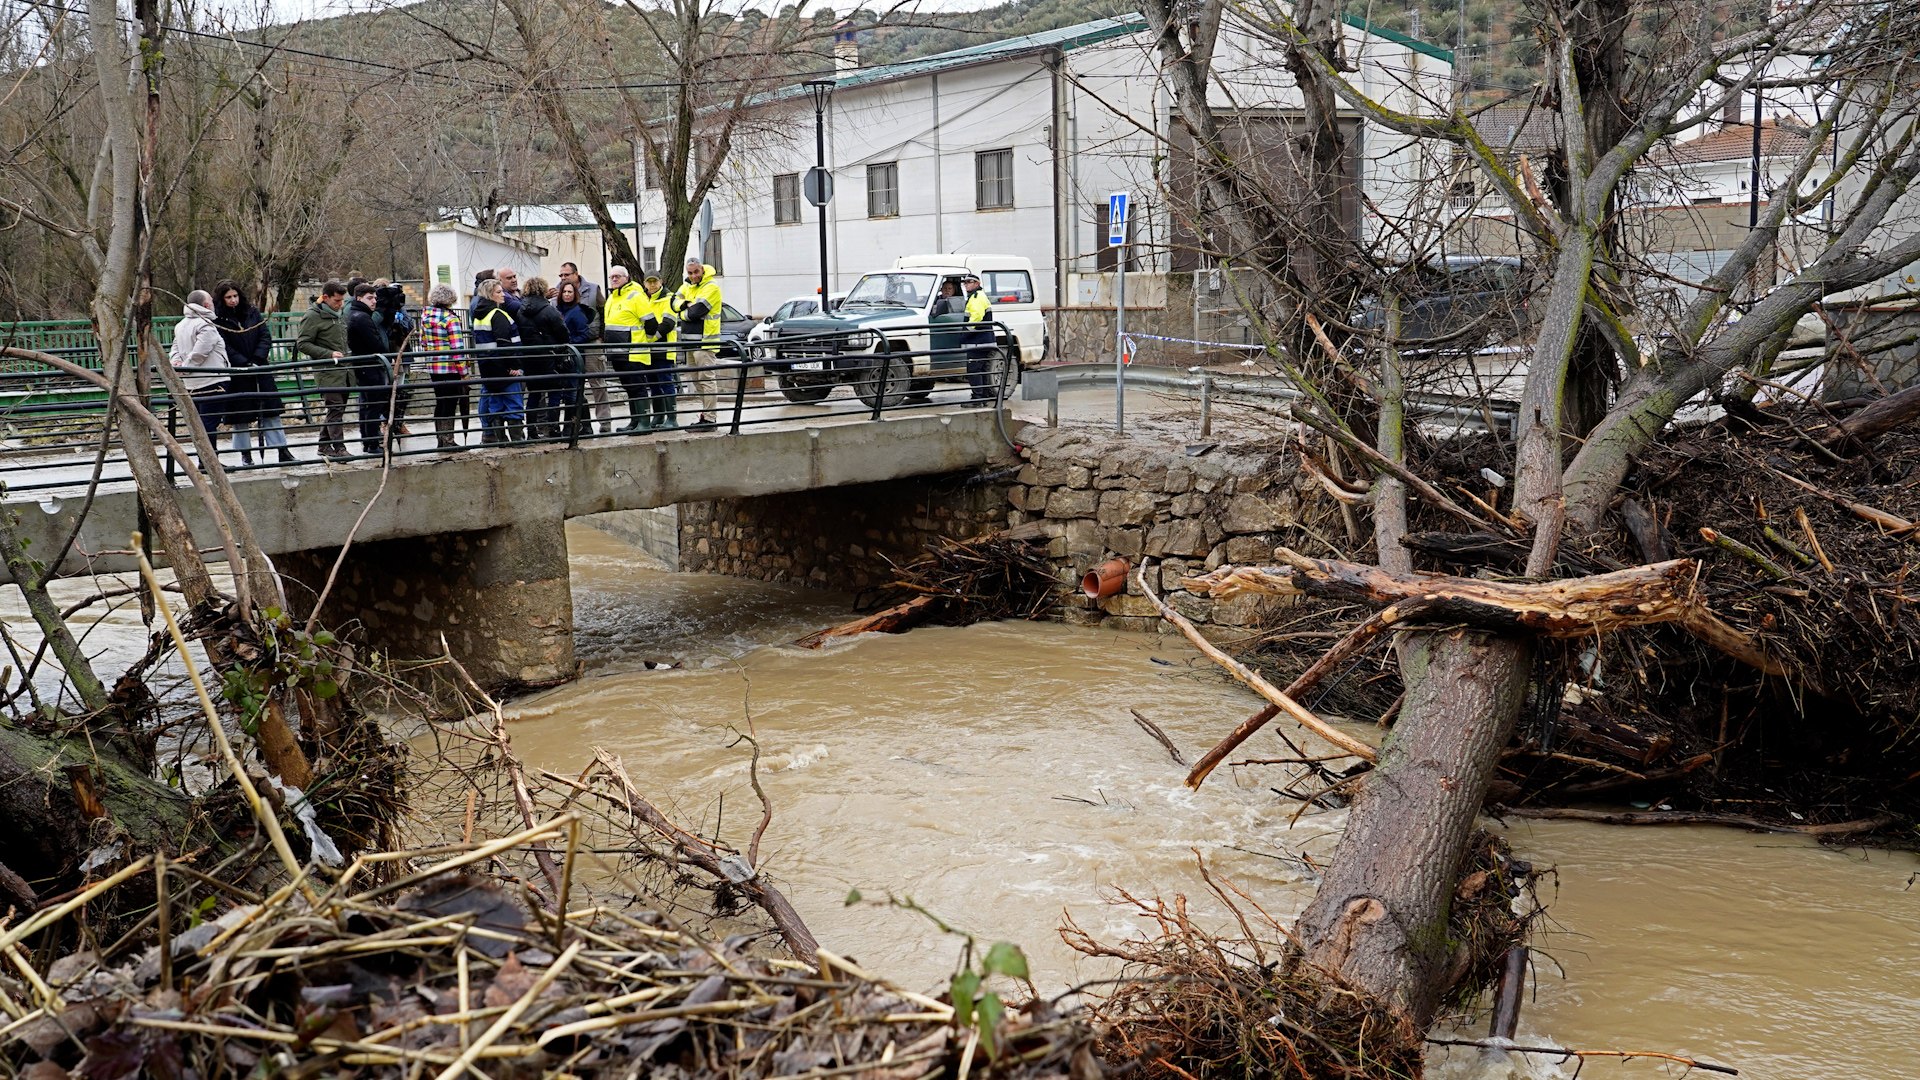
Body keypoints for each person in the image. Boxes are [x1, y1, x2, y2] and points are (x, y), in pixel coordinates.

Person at [212, 280, 293, 466]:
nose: (233, 300)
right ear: (222, 299)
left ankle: (282, 450)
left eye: (235, 296)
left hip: (260, 368)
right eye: (228, 297)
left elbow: (264, 335)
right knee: (241, 416)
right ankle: (245, 454)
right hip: (238, 373)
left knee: (271, 412)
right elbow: (224, 345)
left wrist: (257, 359)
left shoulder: (252, 312)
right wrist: (243, 363)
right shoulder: (218, 319)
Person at [168, 290, 232, 464]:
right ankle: (210, 462)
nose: (213, 303)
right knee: (209, 423)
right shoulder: (205, 325)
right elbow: (201, 350)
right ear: (205, 305)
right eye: (211, 300)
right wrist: (188, 366)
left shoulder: (180, 325)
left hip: (192, 383)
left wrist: (178, 364)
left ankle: (206, 460)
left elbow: (175, 349)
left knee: (201, 423)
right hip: (212, 380)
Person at [296, 279, 352, 461]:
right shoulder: (312, 316)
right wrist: (328, 354)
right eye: (337, 301)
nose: (340, 304)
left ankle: (324, 445)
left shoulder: (338, 314)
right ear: (325, 297)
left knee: (337, 409)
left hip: (344, 371)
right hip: (327, 371)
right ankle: (339, 447)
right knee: (335, 408)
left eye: (342, 301)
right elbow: (303, 343)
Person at [670, 258, 724, 430]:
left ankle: (710, 419)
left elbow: (695, 313)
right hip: (689, 343)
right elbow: (673, 302)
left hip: (705, 342)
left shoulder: (711, 287)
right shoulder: (686, 286)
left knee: (706, 380)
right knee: (696, 380)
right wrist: (685, 304)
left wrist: (682, 313)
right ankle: (706, 415)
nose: (693, 276)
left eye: (696, 272)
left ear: (702, 270)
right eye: (690, 273)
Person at [471, 277, 526, 443]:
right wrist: (513, 367)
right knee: (514, 403)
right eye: (499, 292)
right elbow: (505, 343)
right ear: (490, 295)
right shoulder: (497, 314)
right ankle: (517, 440)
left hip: (488, 368)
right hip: (504, 368)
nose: (503, 294)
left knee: (496, 404)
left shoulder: (479, 316)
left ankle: (501, 439)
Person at [600, 266, 653, 431]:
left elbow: (651, 323)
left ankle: (644, 423)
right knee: (629, 388)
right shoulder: (612, 298)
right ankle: (634, 422)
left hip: (633, 353)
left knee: (637, 387)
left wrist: (643, 341)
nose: (614, 279)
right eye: (612, 277)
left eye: (618, 276)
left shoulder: (636, 296)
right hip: (617, 353)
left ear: (626, 277)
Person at [415, 283, 468, 450]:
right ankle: (448, 440)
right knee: (451, 403)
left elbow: (423, 341)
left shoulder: (426, 317)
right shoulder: (451, 319)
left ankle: (441, 438)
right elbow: (457, 348)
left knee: (441, 401)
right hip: (450, 367)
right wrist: (464, 371)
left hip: (433, 366)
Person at [518, 275, 572, 439]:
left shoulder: (520, 311)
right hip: (550, 357)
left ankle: (531, 431)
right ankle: (553, 430)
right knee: (554, 393)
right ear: (543, 290)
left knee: (534, 394)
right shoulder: (549, 310)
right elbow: (563, 333)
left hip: (530, 359)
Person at [346, 281, 393, 455]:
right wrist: (385, 350)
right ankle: (372, 443)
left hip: (364, 366)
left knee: (367, 405)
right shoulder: (362, 317)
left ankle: (368, 441)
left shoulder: (356, 314)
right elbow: (376, 344)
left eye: (375, 298)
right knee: (372, 405)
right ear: (359, 298)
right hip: (370, 367)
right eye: (370, 298)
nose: (374, 301)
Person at [632, 274, 679, 432]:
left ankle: (672, 418)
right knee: (653, 383)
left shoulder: (670, 298)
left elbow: (668, 323)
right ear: (644, 283)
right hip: (649, 350)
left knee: (666, 382)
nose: (652, 285)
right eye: (649, 282)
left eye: (655, 281)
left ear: (661, 281)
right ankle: (659, 416)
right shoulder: (645, 299)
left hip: (663, 348)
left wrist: (650, 339)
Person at [555, 279, 601, 434]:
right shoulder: (561, 310)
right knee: (573, 391)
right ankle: (584, 426)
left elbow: (584, 334)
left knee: (572, 392)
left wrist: (570, 343)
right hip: (566, 356)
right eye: (565, 292)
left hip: (573, 356)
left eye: (570, 292)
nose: (567, 295)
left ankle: (572, 427)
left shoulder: (576, 312)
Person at [373, 279, 415, 434]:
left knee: (399, 389)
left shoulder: (399, 307)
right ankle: (383, 422)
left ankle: (398, 422)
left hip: (400, 351)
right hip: (384, 353)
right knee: (385, 390)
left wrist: (398, 317)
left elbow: (410, 326)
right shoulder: (376, 309)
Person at [962, 274, 997, 405]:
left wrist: (965, 333)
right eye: (964, 283)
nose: (966, 285)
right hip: (983, 340)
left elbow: (976, 318)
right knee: (981, 369)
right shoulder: (978, 296)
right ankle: (983, 397)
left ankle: (978, 398)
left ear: (977, 283)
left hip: (978, 341)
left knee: (974, 369)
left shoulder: (976, 297)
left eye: (969, 282)